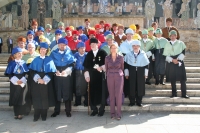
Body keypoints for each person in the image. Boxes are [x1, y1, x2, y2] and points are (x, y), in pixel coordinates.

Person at [29, 42, 56, 122]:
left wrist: (45, 80)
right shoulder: (35, 59)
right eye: (41, 49)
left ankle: (44, 115)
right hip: (37, 82)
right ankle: (36, 115)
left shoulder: (50, 59)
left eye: (44, 49)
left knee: (45, 98)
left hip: (46, 81)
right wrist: (38, 79)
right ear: (39, 50)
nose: (43, 50)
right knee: (37, 97)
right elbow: (31, 71)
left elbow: (51, 72)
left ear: (47, 50)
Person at [50, 38, 76, 118]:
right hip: (57, 73)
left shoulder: (69, 53)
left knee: (67, 92)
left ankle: (68, 111)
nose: (62, 46)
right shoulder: (53, 53)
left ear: (66, 45)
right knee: (57, 91)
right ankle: (56, 110)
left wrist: (67, 71)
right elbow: (51, 63)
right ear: (58, 45)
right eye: (60, 44)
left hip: (66, 74)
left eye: (63, 45)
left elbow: (73, 63)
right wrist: (55, 71)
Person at [83, 38, 108, 116]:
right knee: (91, 93)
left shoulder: (103, 53)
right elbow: (86, 67)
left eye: (94, 44)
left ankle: (101, 109)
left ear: (98, 44)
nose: (92, 45)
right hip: (92, 77)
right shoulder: (89, 54)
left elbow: (107, 64)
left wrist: (102, 67)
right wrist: (87, 76)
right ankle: (94, 109)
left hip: (101, 77)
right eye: (91, 44)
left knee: (102, 93)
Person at [163, 30, 189, 99]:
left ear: (176, 36)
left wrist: (178, 59)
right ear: (170, 36)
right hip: (171, 62)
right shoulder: (167, 44)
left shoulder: (181, 43)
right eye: (171, 36)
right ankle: (174, 93)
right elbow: (165, 55)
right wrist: (172, 60)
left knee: (182, 79)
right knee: (172, 79)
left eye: (174, 35)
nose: (173, 37)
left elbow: (183, 52)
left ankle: (184, 94)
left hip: (179, 61)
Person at [5, 47, 29, 119]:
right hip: (14, 82)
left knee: (22, 98)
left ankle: (20, 113)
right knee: (15, 97)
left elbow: (27, 73)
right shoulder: (11, 63)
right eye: (18, 53)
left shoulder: (24, 63)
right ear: (14, 55)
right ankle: (16, 113)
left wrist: (23, 79)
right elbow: (9, 74)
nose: (20, 55)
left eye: (21, 53)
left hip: (22, 82)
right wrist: (15, 80)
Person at [124, 40, 149, 107]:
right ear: (132, 47)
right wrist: (126, 73)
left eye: (137, 46)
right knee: (131, 87)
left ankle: (139, 101)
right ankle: (132, 101)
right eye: (134, 46)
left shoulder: (143, 54)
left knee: (140, 87)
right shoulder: (128, 54)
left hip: (140, 73)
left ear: (139, 46)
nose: (135, 47)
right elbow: (126, 65)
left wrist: (146, 74)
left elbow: (146, 65)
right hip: (131, 72)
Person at [105, 43, 124, 120]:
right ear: (110, 49)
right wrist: (110, 74)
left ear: (117, 49)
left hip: (119, 76)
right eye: (112, 48)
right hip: (110, 76)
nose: (113, 49)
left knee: (118, 95)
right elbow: (106, 68)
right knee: (111, 95)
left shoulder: (121, 57)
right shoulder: (107, 58)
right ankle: (112, 113)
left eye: (115, 48)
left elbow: (122, 67)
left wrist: (118, 73)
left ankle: (118, 114)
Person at [22, 43, 40, 115]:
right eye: (29, 47)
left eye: (31, 47)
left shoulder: (38, 56)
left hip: (36, 76)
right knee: (28, 94)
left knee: (36, 93)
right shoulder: (24, 57)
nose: (30, 49)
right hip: (28, 77)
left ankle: (37, 109)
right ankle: (27, 109)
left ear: (34, 48)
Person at [74, 42, 88, 106]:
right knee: (78, 86)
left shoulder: (87, 55)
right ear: (78, 49)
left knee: (86, 87)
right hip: (77, 72)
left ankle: (86, 102)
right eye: (81, 48)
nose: (82, 49)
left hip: (85, 72)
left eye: (83, 48)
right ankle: (78, 102)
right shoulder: (75, 55)